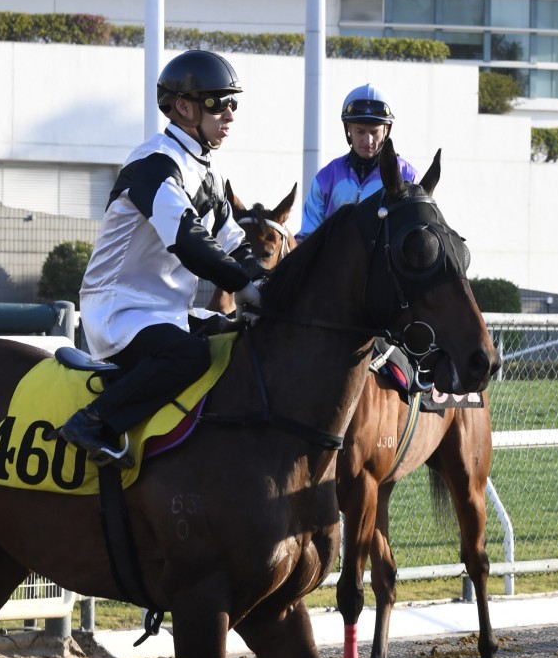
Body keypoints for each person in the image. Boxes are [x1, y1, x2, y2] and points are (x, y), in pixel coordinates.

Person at [57, 50, 268, 465]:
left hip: (164, 311)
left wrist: (264, 280)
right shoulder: (154, 163)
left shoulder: (208, 170)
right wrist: (243, 287)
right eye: (218, 102)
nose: (229, 114)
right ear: (185, 107)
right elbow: (189, 239)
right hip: (119, 309)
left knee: (236, 340)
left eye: (233, 103)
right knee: (189, 356)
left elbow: (232, 241)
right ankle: (94, 422)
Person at [297, 83, 422, 238]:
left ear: (386, 130)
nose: (367, 140)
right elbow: (307, 237)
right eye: (360, 131)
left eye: (374, 132)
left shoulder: (409, 177)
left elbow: (420, 234)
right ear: (348, 128)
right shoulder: (325, 177)